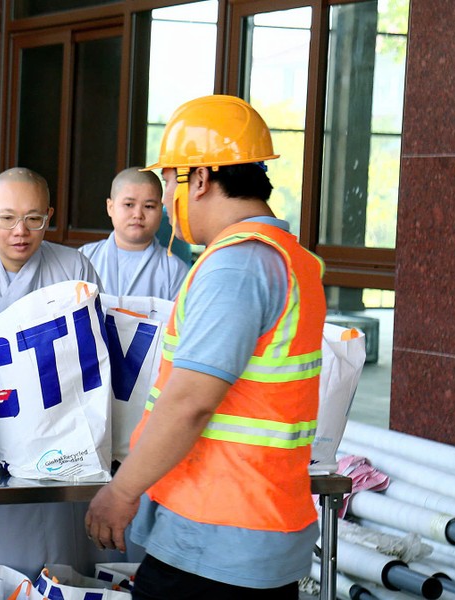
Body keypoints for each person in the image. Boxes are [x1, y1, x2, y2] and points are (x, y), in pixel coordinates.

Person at [85, 95, 327, 599]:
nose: (166, 197)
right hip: (257, 523)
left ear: (199, 178)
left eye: (169, 181)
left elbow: (191, 400)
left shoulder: (236, 265)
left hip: (216, 536)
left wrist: (123, 490)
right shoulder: (290, 257)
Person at [0, 167, 112, 577]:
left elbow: (101, 355)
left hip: (69, 427)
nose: (21, 231)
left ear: (49, 216)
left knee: (63, 536)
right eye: (7, 218)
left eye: (34, 218)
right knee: (4, 549)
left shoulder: (76, 269)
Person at [79, 167, 189, 299]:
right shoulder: (84, 258)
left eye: (149, 206)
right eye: (129, 205)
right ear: (110, 207)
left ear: (161, 210)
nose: (138, 215)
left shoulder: (176, 271)